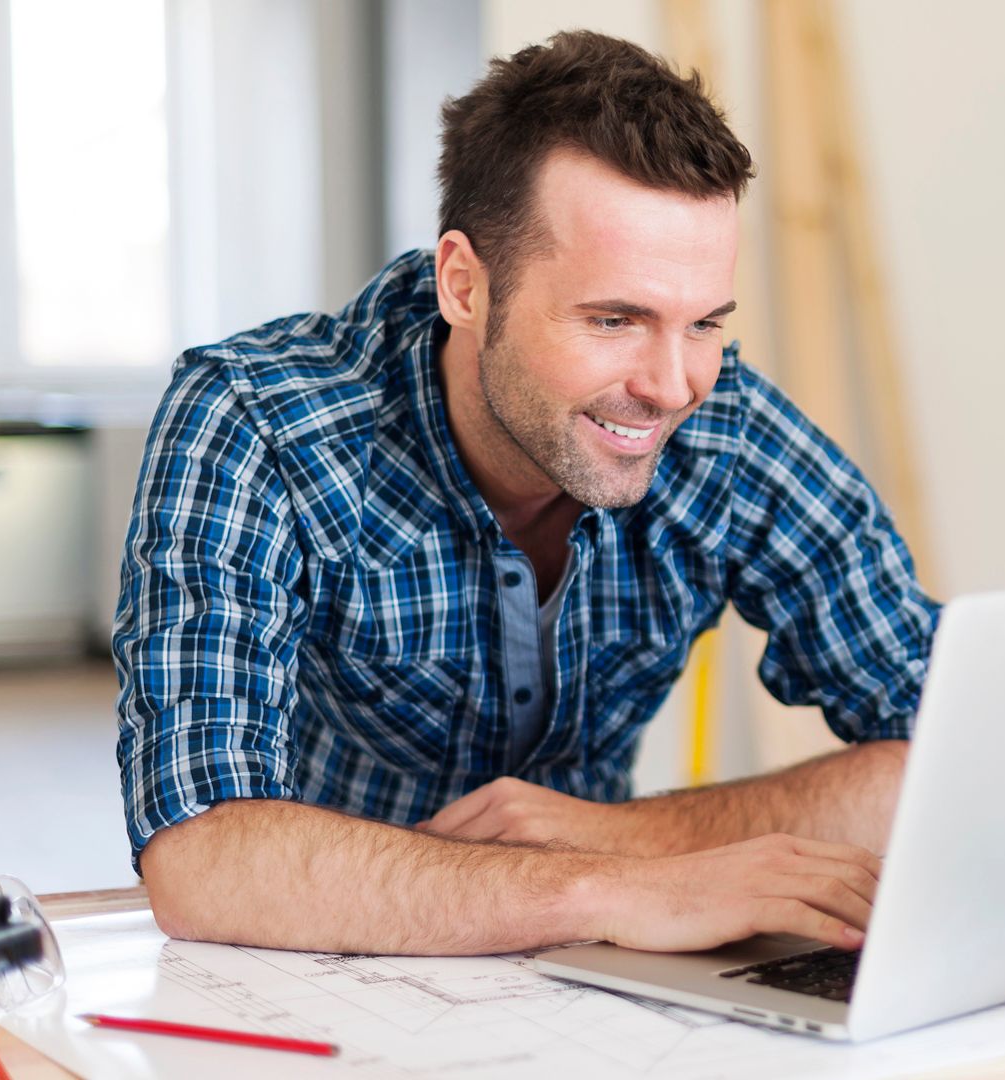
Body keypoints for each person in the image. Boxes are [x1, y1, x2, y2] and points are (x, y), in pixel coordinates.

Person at [113, 30, 938, 957]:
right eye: (614, 319)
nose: (673, 386)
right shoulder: (256, 420)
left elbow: (955, 746)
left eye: (703, 321)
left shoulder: (726, 428)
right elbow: (204, 855)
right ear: (464, 285)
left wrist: (629, 841)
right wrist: (608, 888)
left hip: (598, 979)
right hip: (323, 962)